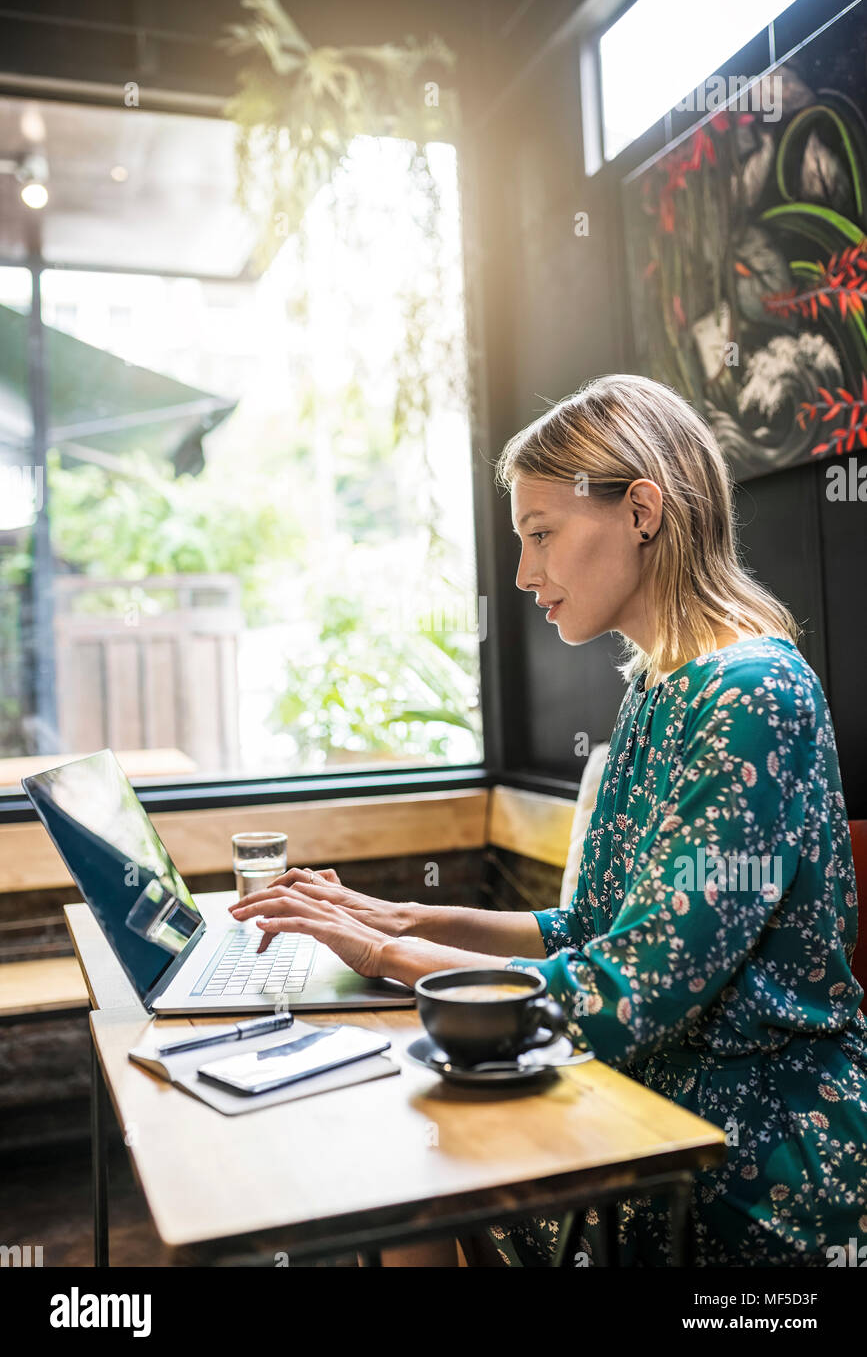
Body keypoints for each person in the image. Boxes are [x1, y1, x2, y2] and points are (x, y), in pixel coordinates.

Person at [230, 374, 867, 1266]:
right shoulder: (661, 686)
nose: (526, 574)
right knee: (398, 1156)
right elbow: (588, 928)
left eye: (540, 535)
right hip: (649, 1104)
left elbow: (624, 989)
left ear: (642, 510)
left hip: (745, 1158)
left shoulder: (749, 693)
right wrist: (400, 917)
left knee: (405, 1174)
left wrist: (385, 958)